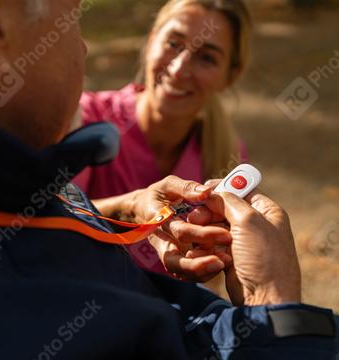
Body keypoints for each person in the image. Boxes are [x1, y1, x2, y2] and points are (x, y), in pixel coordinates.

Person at [0, 1, 339, 359]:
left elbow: (29, 230)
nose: (84, 47)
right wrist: (276, 309)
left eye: (206, 56)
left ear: (229, 75)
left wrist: (121, 210)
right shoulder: (65, 136)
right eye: (73, 16)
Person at [73, 0, 251, 280]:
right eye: (173, 44)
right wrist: (131, 208)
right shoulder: (87, 118)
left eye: (206, 57)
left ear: (230, 76)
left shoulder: (228, 157)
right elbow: (53, 218)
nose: (180, 69)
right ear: (151, 41)